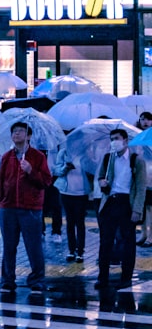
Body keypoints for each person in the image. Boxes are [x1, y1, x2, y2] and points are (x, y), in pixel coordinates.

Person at [0, 121, 53, 294]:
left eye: (21, 131)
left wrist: (30, 171)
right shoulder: (7, 157)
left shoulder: (38, 157)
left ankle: (37, 280)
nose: (17, 134)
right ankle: (7, 280)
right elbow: (1, 184)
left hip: (31, 208)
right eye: (14, 131)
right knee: (8, 246)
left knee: (33, 246)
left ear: (29, 136)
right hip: (9, 207)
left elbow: (46, 181)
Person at [96, 129, 148, 290]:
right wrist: (102, 183)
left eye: (117, 139)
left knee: (128, 243)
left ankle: (126, 278)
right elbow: (101, 177)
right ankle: (102, 277)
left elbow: (141, 187)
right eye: (112, 139)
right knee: (105, 242)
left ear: (125, 140)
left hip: (127, 203)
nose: (114, 142)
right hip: (110, 202)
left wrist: (137, 210)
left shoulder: (136, 160)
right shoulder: (108, 158)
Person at [53, 141, 90, 264]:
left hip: (81, 193)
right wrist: (65, 167)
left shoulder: (85, 154)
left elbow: (92, 169)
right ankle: (71, 250)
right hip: (66, 192)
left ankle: (80, 252)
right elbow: (56, 171)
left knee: (80, 222)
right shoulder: (63, 153)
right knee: (70, 222)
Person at [137, 112, 152, 247]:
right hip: (142, 177)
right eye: (142, 119)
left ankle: (150, 236)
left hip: (151, 176)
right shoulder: (137, 136)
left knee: (150, 208)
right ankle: (143, 234)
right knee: (142, 207)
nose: (145, 122)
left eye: (147, 119)